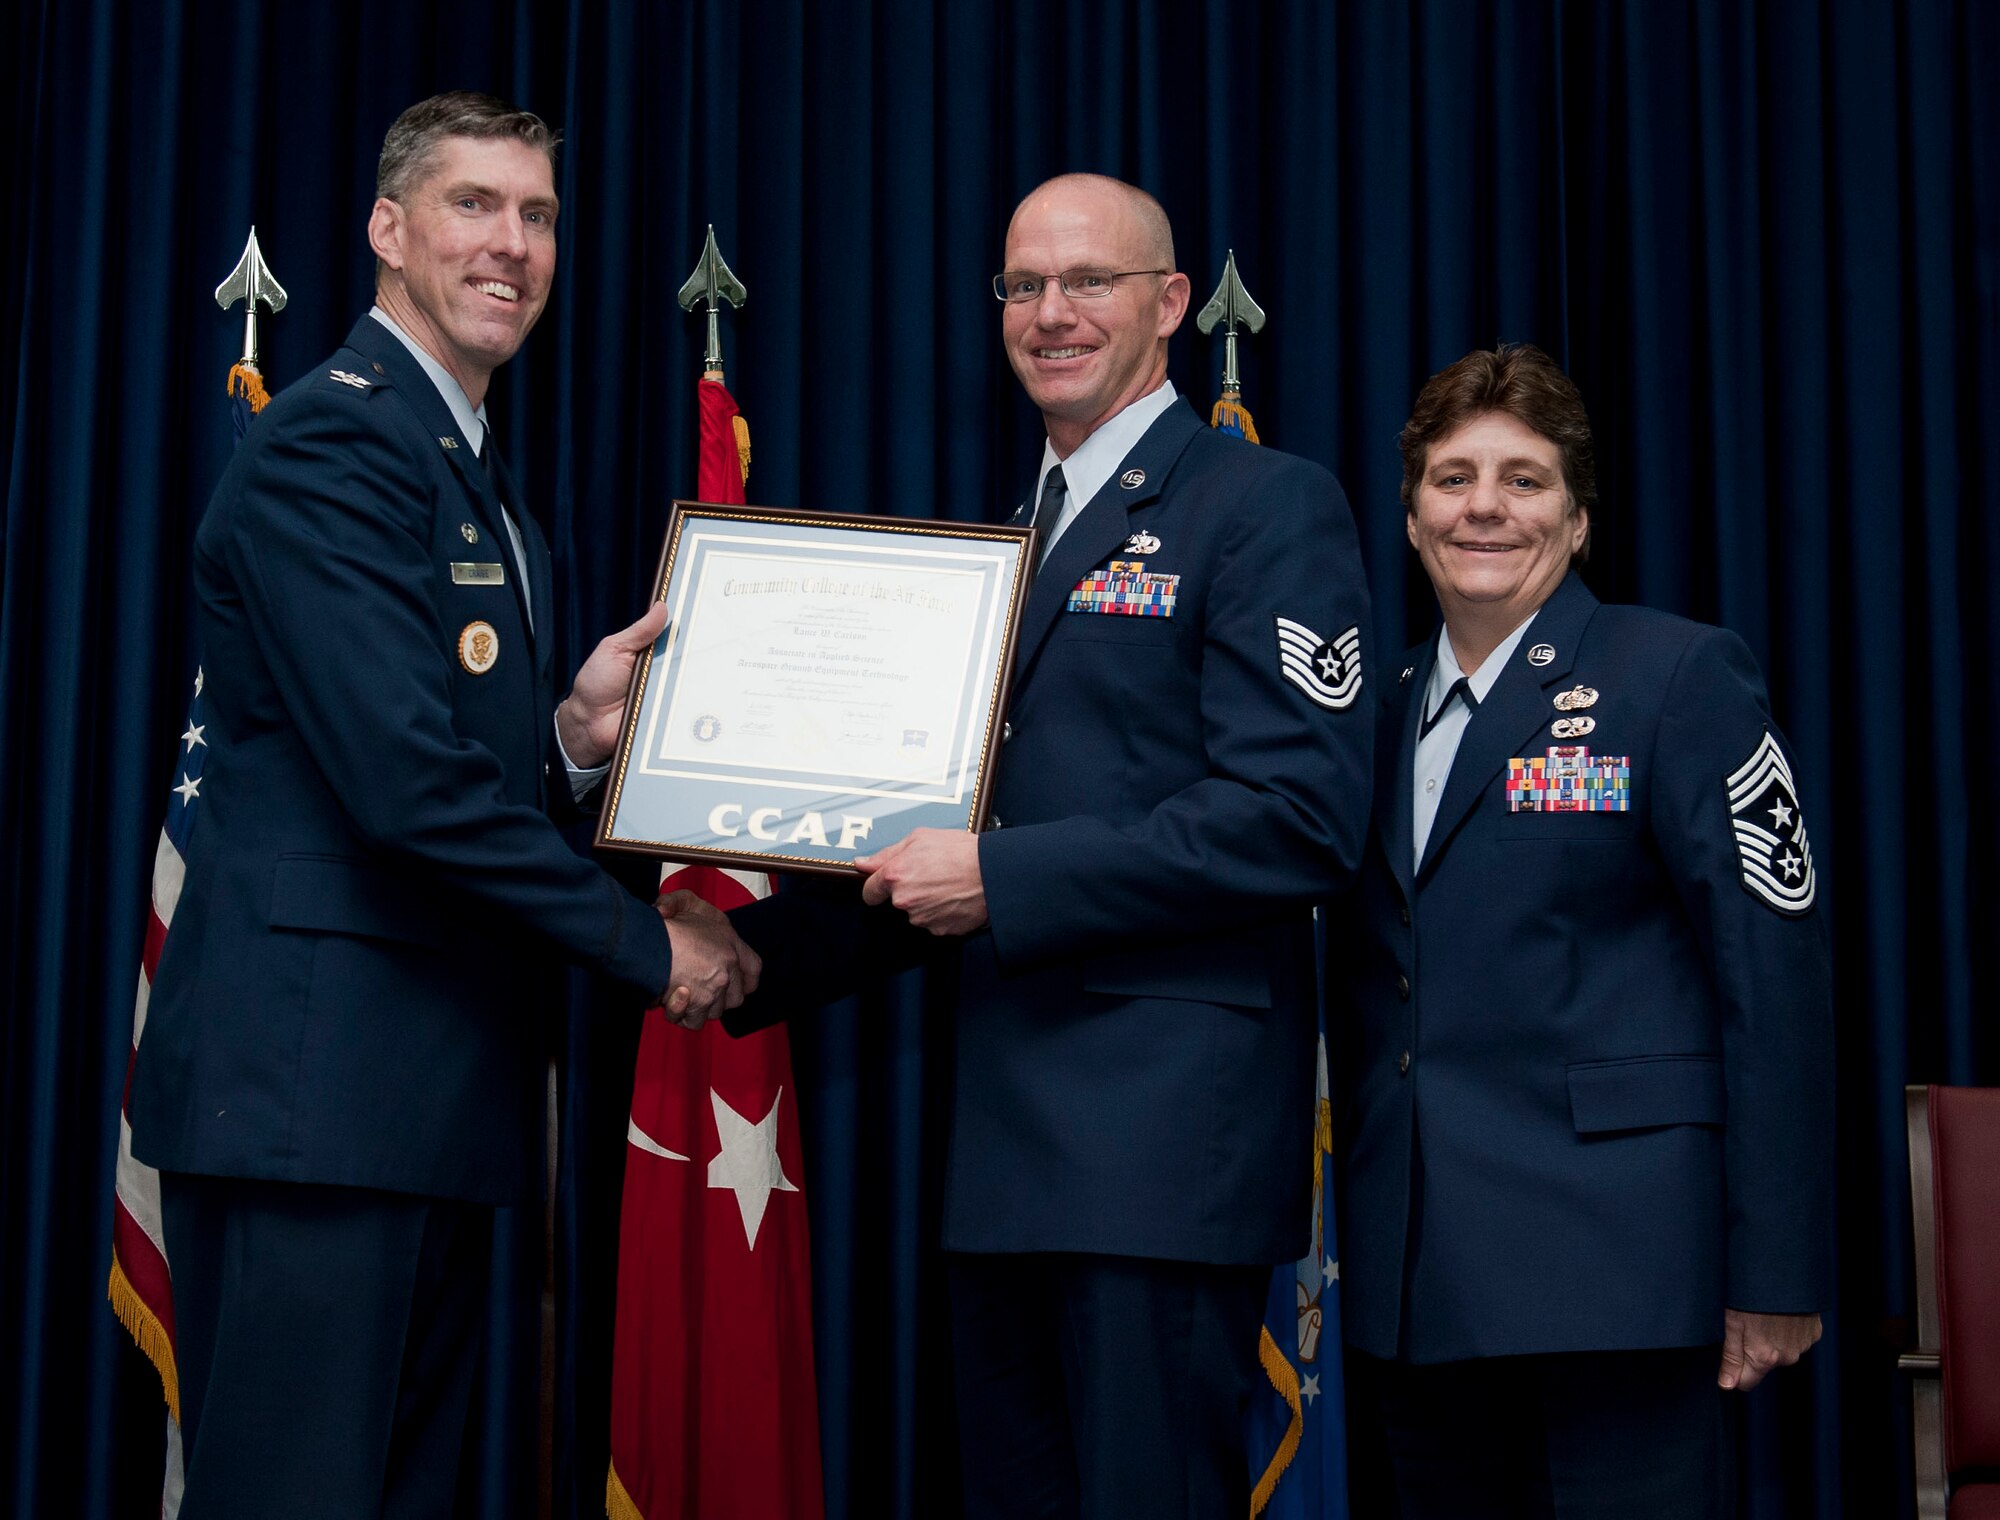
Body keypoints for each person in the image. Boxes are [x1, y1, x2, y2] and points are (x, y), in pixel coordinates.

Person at [128, 92, 758, 1516]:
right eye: (475, 205)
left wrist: (575, 733)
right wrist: (650, 945)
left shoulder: (468, 475)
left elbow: (428, 754)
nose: (513, 244)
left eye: (537, 215)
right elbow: (407, 794)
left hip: (412, 1101)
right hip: (314, 1105)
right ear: (387, 230)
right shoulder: (329, 452)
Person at [731, 172, 1373, 1517]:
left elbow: (1298, 819)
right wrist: (738, 959)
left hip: (1159, 1156)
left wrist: (1001, 880)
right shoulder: (1007, 537)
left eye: (1088, 281)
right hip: (1007, 1152)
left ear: (1172, 304)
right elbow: (946, 840)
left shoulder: (1262, 507)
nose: (1051, 312)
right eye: (1023, 284)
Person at [1332, 343, 1832, 1517]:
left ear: (1577, 517)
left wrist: (1777, 1266)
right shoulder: (1374, 709)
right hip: (1419, 1283)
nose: (1484, 507)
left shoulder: (1675, 676)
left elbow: (1774, 975)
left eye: (1523, 477)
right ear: (1409, 520)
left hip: (1616, 1272)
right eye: (1451, 478)